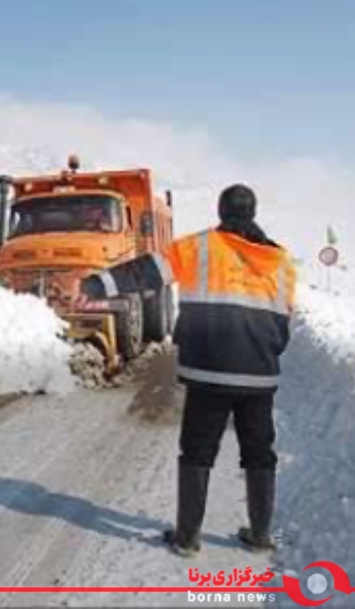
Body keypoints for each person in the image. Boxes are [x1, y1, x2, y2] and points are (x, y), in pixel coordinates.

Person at [79, 184, 296, 557]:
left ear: (221, 211)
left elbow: (146, 271)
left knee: (197, 451)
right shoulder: (281, 261)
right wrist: (264, 355)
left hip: (209, 373)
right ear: (253, 212)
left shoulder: (200, 248)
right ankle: (260, 535)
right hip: (260, 375)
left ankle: (187, 538)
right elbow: (283, 321)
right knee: (260, 453)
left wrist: (97, 283)